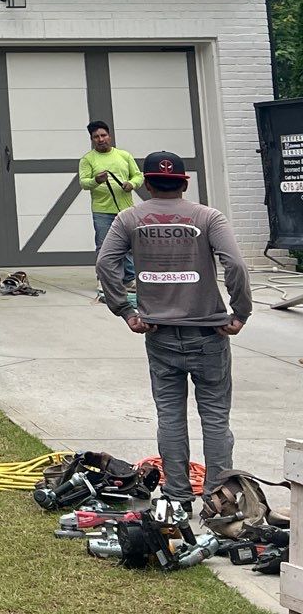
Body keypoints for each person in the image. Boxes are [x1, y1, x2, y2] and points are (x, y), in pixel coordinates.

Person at [95, 151, 253, 509]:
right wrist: (240, 312)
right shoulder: (207, 217)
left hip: (159, 333)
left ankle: (177, 498)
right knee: (214, 418)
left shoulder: (128, 218)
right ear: (184, 183)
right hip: (209, 335)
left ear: (146, 184)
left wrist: (126, 310)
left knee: (170, 417)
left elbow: (106, 264)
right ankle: (218, 501)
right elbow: (236, 265)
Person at [79, 119, 142, 288]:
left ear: (110, 136)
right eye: (96, 137)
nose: (101, 139)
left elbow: (138, 175)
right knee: (104, 246)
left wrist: (132, 184)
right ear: (92, 139)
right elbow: (84, 183)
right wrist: (96, 180)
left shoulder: (124, 155)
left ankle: (129, 278)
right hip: (102, 210)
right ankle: (104, 279)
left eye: (103, 135)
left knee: (127, 245)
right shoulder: (88, 160)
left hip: (126, 208)